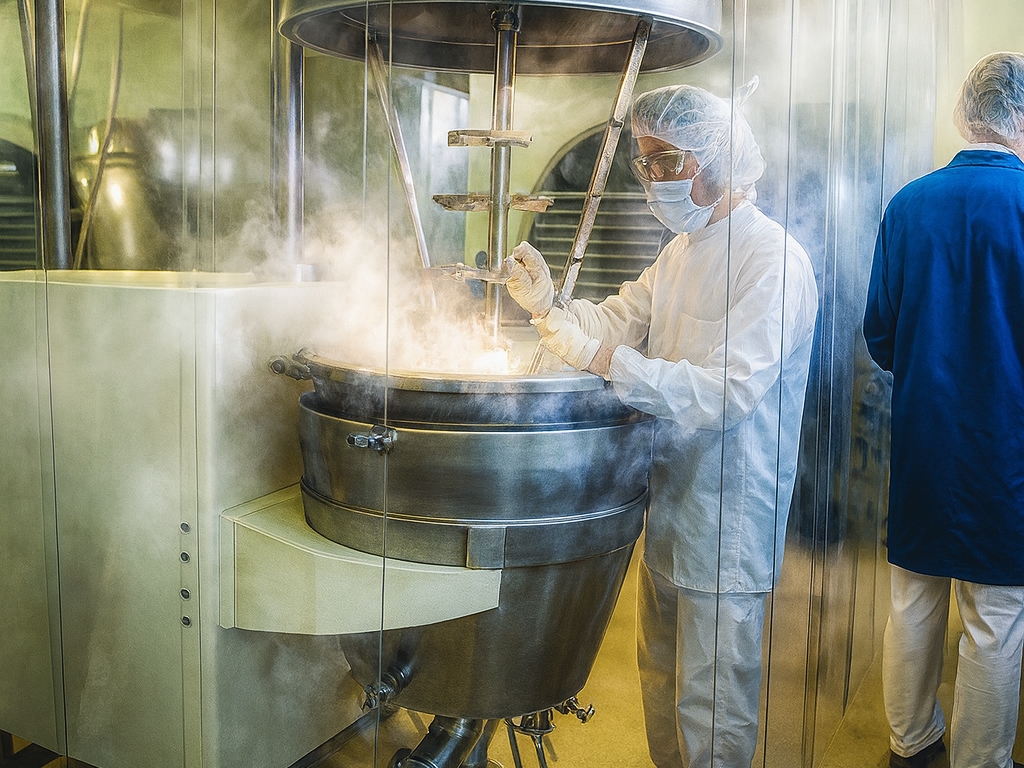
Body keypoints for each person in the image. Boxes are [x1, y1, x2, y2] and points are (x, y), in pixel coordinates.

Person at [505, 82, 818, 768]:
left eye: (665, 161)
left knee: (711, 711)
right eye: (644, 162)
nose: (652, 179)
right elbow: (622, 318)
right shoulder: (682, 249)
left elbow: (728, 393)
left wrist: (608, 360)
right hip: (675, 507)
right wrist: (550, 306)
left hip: (730, 518)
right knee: (660, 688)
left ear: (718, 159)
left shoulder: (772, 260)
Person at [863, 51, 1024, 768]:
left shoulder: (908, 204)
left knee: (914, 601)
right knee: (994, 616)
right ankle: (979, 759)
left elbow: (882, 333)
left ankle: (911, 744)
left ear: (968, 114)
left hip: (924, 439)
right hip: (1008, 449)